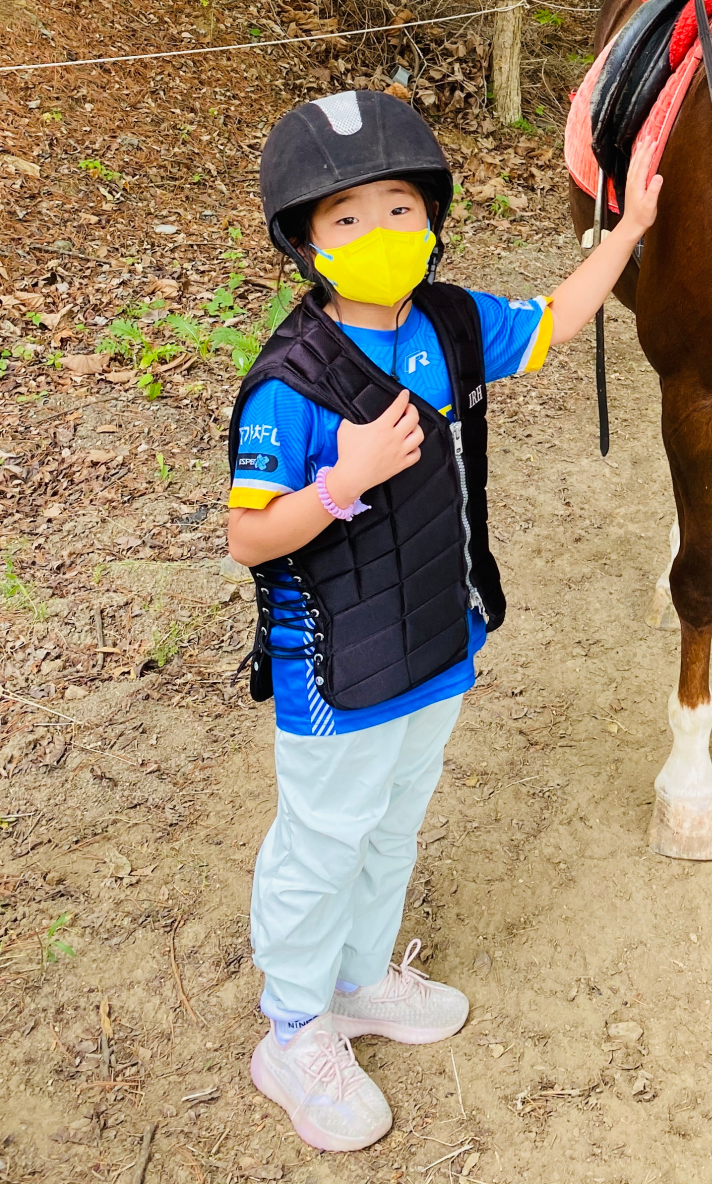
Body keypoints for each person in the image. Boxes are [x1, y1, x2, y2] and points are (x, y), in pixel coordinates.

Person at [225, 88, 659, 1152]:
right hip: (334, 662)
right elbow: (247, 537)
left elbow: (554, 320)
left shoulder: (453, 324)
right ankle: (291, 1027)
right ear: (307, 244)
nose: (382, 233)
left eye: (400, 207)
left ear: (432, 219)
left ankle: (363, 976)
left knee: (392, 822)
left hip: (436, 641)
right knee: (321, 840)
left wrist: (634, 229)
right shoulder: (290, 383)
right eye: (348, 218)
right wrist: (341, 482)